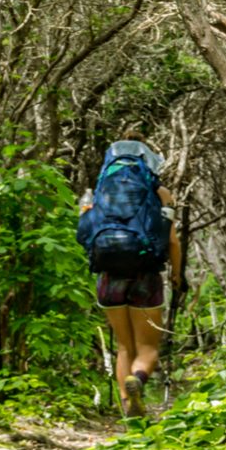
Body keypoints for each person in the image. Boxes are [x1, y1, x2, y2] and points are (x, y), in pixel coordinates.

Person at [76, 137, 185, 416]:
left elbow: (85, 233)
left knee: (124, 346)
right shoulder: (162, 193)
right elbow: (172, 242)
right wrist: (177, 276)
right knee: (147, 347)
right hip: (145, 275)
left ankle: (129, 412)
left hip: (108, 276)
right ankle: (137, 379)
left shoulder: (98, 193)